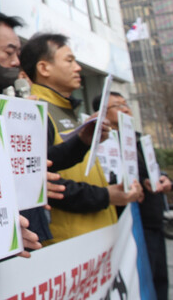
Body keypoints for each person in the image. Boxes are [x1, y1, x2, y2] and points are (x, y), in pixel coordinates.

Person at [19, 33, 141, 244]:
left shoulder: (72, 113)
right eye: (69, 60)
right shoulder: (33, 113)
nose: (78, 68)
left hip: (94, 238)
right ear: (44, 68)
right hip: (68, 244)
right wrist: (106, 196)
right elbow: (40, 183)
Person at [94, 92, 172, 300]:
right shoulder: (100, 145)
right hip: (129, 224)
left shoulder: (138, 139)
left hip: (154, 220)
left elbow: (152, 170)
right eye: (118, 106)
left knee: (159, 279)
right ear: (103, 113)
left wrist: (164, 180)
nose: (126, 109)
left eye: (126, 104)